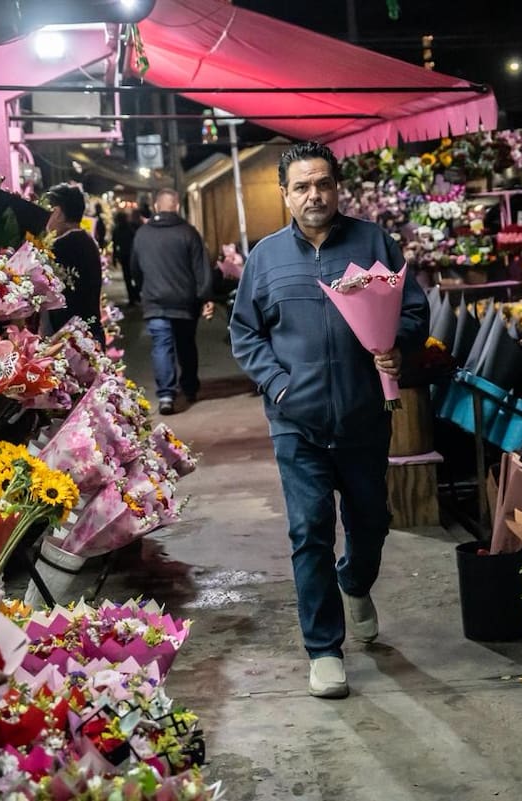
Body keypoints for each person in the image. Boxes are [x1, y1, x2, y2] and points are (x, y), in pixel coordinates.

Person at [230, 141, 428, 699]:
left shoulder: (373, 243)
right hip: (297, 420)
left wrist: (398, 345)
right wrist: (279, 385)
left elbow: (413, 309)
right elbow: (245, 332)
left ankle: (355, 582)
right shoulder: (266, 257)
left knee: (371, 522)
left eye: (322, 183)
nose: (313, 195)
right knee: (309, 529)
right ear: (285, 194)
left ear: (337, 187)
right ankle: (323, 649)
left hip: (364, 415)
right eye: (301, 186)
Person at [131, 188, 215, 416]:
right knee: (186, 344)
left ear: (156, 207)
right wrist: (206, 296)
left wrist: (143, 290)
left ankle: (166, 395)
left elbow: (135, 269)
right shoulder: (188, 232)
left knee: (161, 345)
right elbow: (201, 268)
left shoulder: (142, 234)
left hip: (155, 301)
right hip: (185, 301)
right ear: (177, 206)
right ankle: (189, 387)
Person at [45, 184, 104, 343]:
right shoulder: (87, 240)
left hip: (71, 339)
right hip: (89, 332)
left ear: (58, 213)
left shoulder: (62, 246)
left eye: (49, 210)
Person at [112, 209, 141, 305]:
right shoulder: (130, 228)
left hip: (124, 256)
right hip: (131, 255)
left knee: (128, 278)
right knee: (135, 276)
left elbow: (115, 245)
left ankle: (132, 297)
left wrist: (114, 258)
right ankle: (135, 295)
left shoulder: (117, 230)